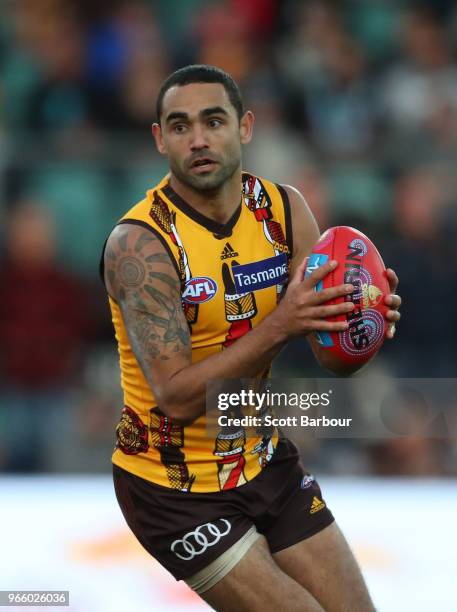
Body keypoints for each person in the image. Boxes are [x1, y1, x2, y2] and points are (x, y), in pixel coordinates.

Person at [101, 65, 401, 611]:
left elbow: (333, 363)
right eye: (179, 125)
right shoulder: (139, 246)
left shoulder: (285, 210)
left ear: (245, 127)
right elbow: (177, 397)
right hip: (174, 489)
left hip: (262, 457)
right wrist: (284, 321)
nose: (197, 139)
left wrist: (360, 326)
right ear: (158, 139)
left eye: (213, 121)